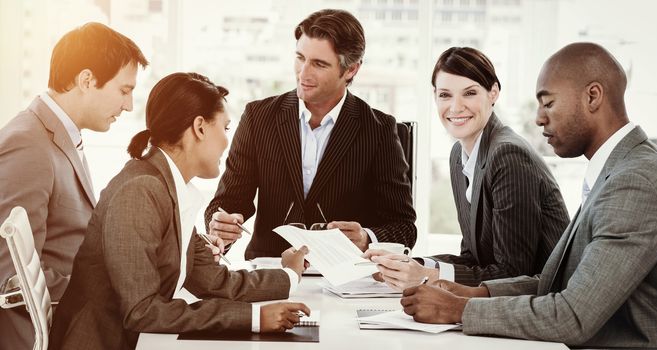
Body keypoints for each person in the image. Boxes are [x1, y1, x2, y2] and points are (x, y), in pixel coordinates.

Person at [399, 42, 657, 348]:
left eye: (549, 103)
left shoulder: (635, 184)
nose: (539, 118)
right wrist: (472, 293)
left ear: (592, 97)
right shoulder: (620, 169)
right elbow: (559, 284)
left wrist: (458, 310)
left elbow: (572, 317)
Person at [48, 73, 311, 350]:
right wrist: (255, 318)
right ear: (199, 127)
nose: (226, 142)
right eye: (225, 128)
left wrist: (288, 275)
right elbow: (143, 311)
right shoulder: (141, 190)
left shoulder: (167, 188)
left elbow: (216, 281)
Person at [204, 9, 417, 259]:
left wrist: (366, 238)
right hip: (271, 271)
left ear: (351, 70)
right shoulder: (258, 117)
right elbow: (229, 201)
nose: (303, 73)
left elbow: (404, 228)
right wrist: (220, 224)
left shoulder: (379, 130)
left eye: (319, 64)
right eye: (300, 58)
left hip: (344, 278)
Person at [364, 47, 569, 290]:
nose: (455, 107)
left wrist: (427, 276)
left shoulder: (508, 155)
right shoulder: (459, 156)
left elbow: (513, 272)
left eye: (469, 93)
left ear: (493, 93)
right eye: (445, 95)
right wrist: (410, 264)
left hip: (539, 302)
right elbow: (473, 258)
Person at [0, 22, 147, 349]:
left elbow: (68, 240)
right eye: (124, 90)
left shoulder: (58, 137)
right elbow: (10, 279)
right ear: (86, 80)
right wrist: (114, 291)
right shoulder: (28, 146)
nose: (129, 106)